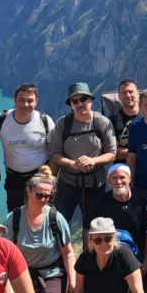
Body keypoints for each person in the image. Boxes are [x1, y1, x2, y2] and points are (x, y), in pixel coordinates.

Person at [4, 167, 77, 293]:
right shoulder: (13, 218)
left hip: (51, 274)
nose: (43, 199)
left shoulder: (55, 218)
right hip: (21, 274)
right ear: (28, 191)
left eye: (48, 196)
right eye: (39, 195)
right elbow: (4, 257)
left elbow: (68, 253)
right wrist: (7, 286)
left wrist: (73, 281)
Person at [48, 82, 117, 228]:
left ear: (91, 100)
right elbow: (55, 154)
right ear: (71, 105)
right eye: (75, 101)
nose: (80, 104)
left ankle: (90, 251)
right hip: (67, 185)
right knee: (57, 224)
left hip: (95, 184)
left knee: (92, 226)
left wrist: (93, 161)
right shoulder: (62, 124)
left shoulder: (103, 123)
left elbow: (111, 153)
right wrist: (73, 164)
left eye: (83, 99)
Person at [0, 83, 55, 211]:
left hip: (40, 176)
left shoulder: (45, 121)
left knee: (41, 215)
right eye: (21, 100)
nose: (25, 104)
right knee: (15, 217)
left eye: (30, 100)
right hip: (14, 178)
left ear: (36, 102)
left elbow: (55, 151)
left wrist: (50, 178)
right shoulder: (1, 120)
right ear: (14, 100)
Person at [85, 164, 147, 265]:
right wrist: (94, 258)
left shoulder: (143, 199)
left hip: (138, 255)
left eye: (122, 177)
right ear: (109, 182)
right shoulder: (99, 202)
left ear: (129, 179)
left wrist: (146, 262)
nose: (118, 182)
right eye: (114, 178)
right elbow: (87, 231)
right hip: (107, 255)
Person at [110, 79, 141, 163]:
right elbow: (112, 152)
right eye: (124, 92)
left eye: (131, 92)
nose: (128, 95)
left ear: (138, 93)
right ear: (119, 96)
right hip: (122, 168)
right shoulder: (112, 120)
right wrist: (141, 152)